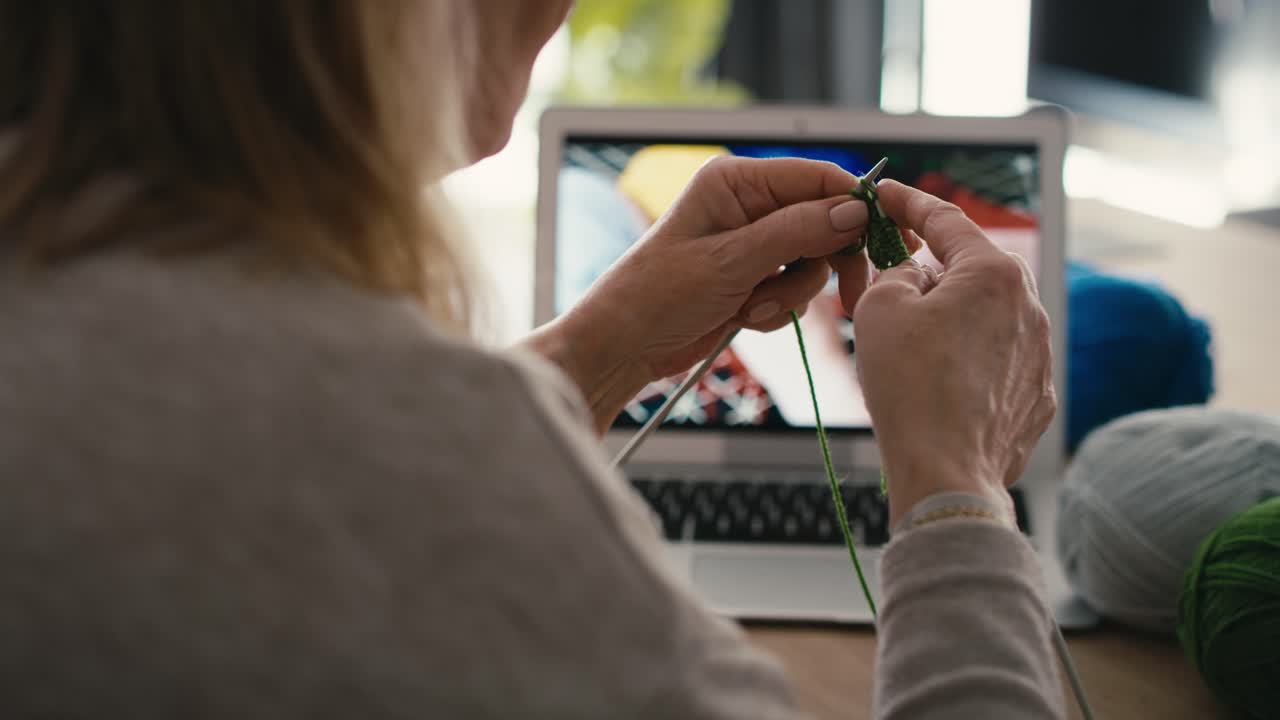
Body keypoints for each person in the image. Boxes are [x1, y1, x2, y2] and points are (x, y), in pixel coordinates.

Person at [0, 2, 1061, 718]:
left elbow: (272, 499)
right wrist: (954, 487)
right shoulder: (411, 442)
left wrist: (590, 356)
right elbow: (361, 479)